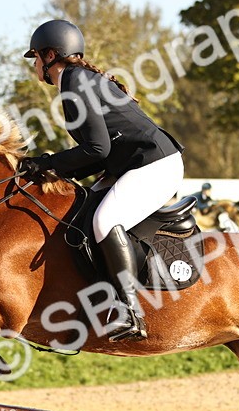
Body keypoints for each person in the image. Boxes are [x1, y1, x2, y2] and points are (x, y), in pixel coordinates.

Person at [18, 19, 184, 342]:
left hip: (155, 165)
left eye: (35, 57)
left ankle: (130, 311)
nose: (35, 65)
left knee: (104, 220)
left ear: (50, 55)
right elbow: (98, 153)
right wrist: (50, 171)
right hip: (132, 165)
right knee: (80, 213)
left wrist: (47, 163)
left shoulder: (75, 82)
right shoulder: (76, 80)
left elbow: (97, 149)